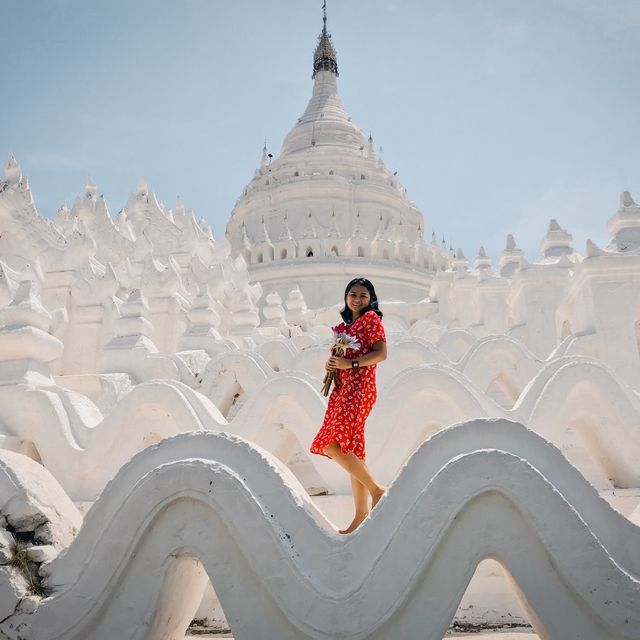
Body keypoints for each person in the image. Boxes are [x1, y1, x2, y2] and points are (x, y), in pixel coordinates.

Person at [310, 278, 387, 534]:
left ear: (371, 299)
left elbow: (381, 353)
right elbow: (342, 357)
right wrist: (332, 365)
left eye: (363, 295)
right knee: (353, 449)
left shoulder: (371, 320)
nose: (357, 299)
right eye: (353, 294)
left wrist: (350, 365)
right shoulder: (346, 327)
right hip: (342, 389)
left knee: (332, 443)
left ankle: (377, 491)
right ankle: (361, 514)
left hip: (359, 388)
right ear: (346, 297)